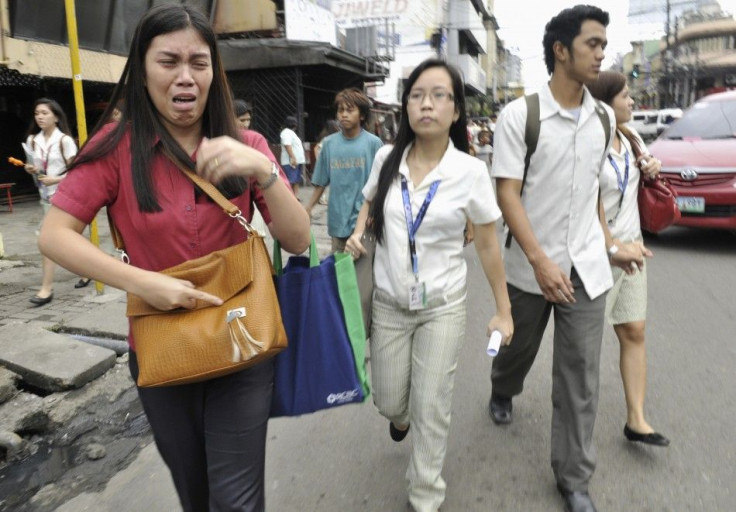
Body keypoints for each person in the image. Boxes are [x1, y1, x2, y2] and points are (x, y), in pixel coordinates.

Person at [38, 4, 310, 511]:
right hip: (160, 347)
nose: (185, 76)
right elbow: (55, 235)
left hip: (243, 338)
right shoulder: (115, 149)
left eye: (198, 62)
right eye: (168, 61)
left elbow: (297, 240)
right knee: (196, 495)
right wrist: (142, 283)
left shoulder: (247, 144)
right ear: (142, 70)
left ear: (214, 72)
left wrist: (264, 171)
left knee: (236, 499)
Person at [488, 6, 648, 512]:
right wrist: (539, 261)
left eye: (605, 44)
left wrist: (610, 246)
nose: (602, 52)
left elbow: (593, 196)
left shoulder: (603, 118)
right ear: (561, 50)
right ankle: (501, 387)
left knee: (580, 376)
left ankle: (574, 479)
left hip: (585, 270)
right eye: (593, 44)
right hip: (531, 269)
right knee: (518, 351)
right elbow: (507, 195)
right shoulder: (521, 115)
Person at [346, 59, 514, 512]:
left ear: (456, 110)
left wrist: (503, 309)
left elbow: (487, 246)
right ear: (405, 105)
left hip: (442, 305)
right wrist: (359, 233)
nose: (427, 103)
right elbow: (369, 203)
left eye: (439, 95)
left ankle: (425, 493)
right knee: (389, 400)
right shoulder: (386, 158)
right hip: (388, 303)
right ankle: (398, 417)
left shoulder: (470, 172)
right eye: (418, 94)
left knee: (431, 402)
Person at [587, 71, 669, 447]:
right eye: (625, 96)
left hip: (634, 246)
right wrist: (611, 246)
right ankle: (507, 380)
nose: (632, 102)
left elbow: (644, 167)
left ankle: (636, 419)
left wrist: (651, 166)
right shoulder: (588, 141)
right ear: (605, 100)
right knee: (582, 347)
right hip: (597, 252)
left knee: (634, 331)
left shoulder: (632, 136)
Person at [305, 88, 383, 252]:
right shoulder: (329, 144)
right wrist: (308, 208)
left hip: (366, 220)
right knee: (341, 271)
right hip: (338, 219)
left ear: (361, 115)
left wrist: (377, 212)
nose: (344, 115)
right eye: (340, 111)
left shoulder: (374, 144)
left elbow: (382, 183)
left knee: (364, 273)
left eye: (350, 110)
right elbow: (321, 182)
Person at [23, 98, 80, 306]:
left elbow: (77, 173)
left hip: (63, 196)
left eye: (45, 113)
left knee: (47, 241)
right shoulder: (32, 141)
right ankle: (89, 272)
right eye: (37, 113)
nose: (40, 117)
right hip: (45, 196)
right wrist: (31, 169)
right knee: (70, 239)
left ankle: (46, 289)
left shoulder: (64, 140)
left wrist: (56, 179)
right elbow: (35, 167)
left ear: (56, 117)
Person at [312, 119, 340, 205]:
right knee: (323, 181)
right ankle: (322, 199)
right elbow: (316, 148)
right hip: (325, 162)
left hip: (328, 162)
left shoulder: (328, 137)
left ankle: (323, 198)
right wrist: (319, 160)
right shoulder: (327, 139)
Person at [279, 115, 306, 195]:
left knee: (296, 180)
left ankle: (295, 197)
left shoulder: (291, 133)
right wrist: (293, 158)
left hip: (297, 161)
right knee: (291, 180)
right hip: (290, 162)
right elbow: (287, 145)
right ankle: (290, 197)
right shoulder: (286, 133)